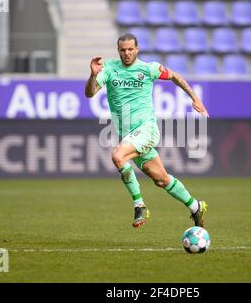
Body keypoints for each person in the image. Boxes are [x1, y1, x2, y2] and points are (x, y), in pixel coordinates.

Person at [85, 33, 209, 228]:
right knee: (162, 179)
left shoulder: (148, 69)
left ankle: (139, 205)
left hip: (146, 130)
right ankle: (195, 207)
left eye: (130, 49)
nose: (126, 53)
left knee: (118, 156)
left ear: (137, 49)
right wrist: (93, 74)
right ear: (118, 51)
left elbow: (175, 76)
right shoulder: (108, 69)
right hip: (130, 135)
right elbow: (90, 93)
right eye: (122, 50)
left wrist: (194, 98)